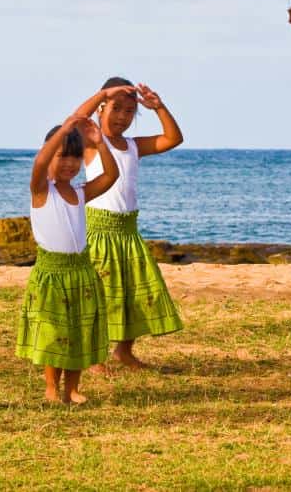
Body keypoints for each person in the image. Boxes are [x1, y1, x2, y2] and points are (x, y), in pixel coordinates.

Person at [16, 89, 128, 404]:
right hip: (52, 273)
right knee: (55, 333)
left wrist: (98, 143)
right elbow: (39, 162)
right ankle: (52, 388)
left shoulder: (79, 192)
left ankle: (72, 389)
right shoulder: (41, 190)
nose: (68, 163)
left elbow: (111, 175)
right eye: (61, 155)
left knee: (79, 333)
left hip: (81, 272)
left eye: (74, 157)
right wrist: (65, 130)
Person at [76, 78, 184, 369]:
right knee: (99, 296)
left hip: (128, 230)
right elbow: (74, 122)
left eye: (129, 111)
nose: (123, 116)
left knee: (133, 292)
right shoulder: (92, 141)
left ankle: (123, 351)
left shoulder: (133, 146)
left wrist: (159, 107)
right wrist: (101, 92)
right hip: (98, 229)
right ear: (101, 108)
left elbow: (173, 139)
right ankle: (95, 357)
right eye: (116, 108)